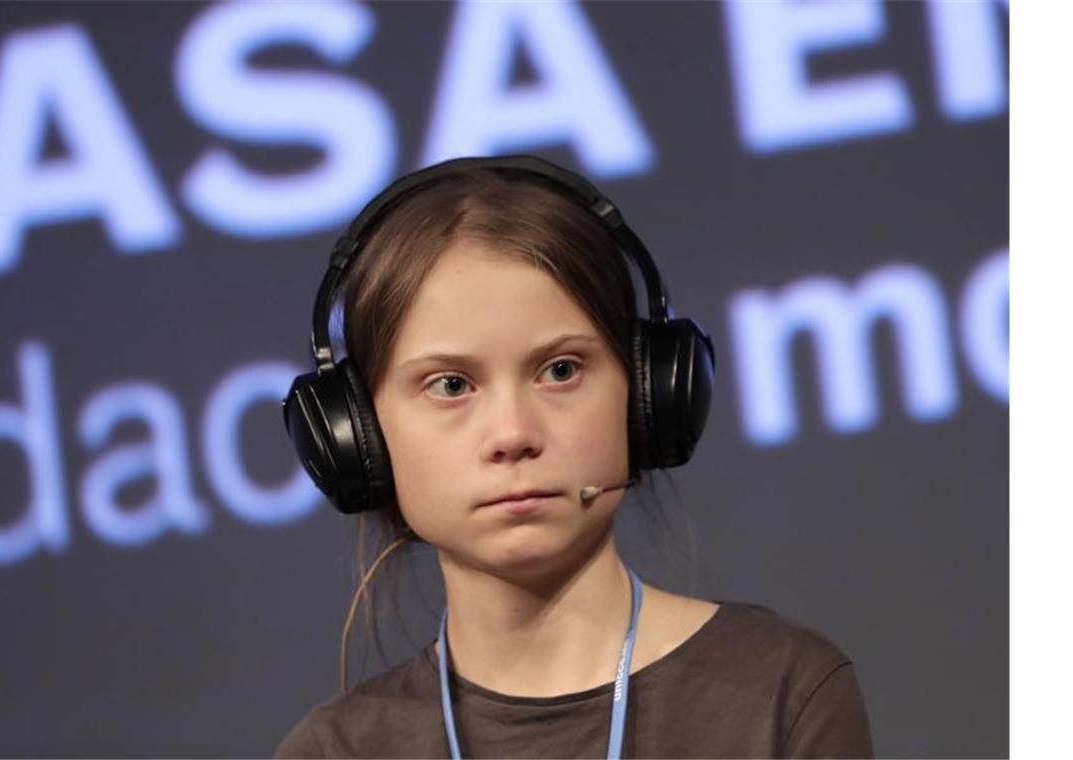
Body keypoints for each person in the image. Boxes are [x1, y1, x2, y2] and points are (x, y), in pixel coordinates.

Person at [277, 156, 874, 758]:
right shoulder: (335, 752)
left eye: (560, 371)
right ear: (362, 435)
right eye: (451, 385)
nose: (512, 434)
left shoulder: (781, 690)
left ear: (645, 396)